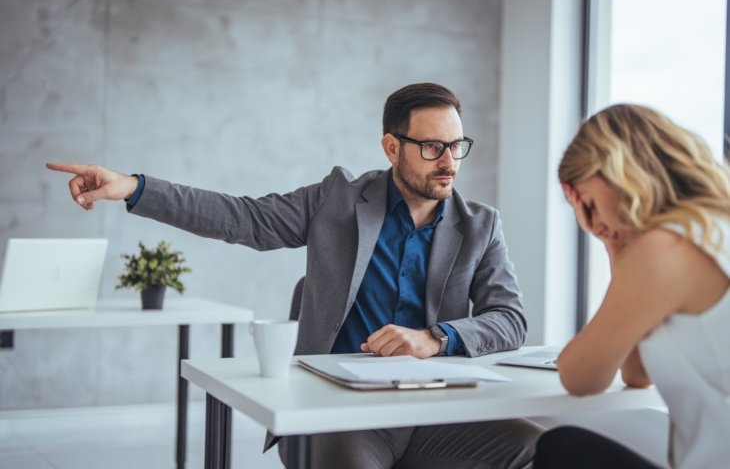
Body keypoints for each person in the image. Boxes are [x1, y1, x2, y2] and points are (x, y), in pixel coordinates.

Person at [47, 83, 543, 469]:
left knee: (537, 448)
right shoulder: (337, 201)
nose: (449, 163)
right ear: (392, 147)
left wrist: (435, 340)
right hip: (341, 413)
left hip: (436, 411)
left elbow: (510, 319)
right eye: (433, 147)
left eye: (457, 146)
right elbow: (240, 217)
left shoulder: (480, 225)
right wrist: (134, 187)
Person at [534, 104, 730, 469]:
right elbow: (637, 374)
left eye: (588, 204)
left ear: (617, 170)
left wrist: (616, 246)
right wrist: (616, 244)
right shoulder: (711, 228)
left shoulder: (665, 249)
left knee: (562, 446)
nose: (590, 223)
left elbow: (581, 377)